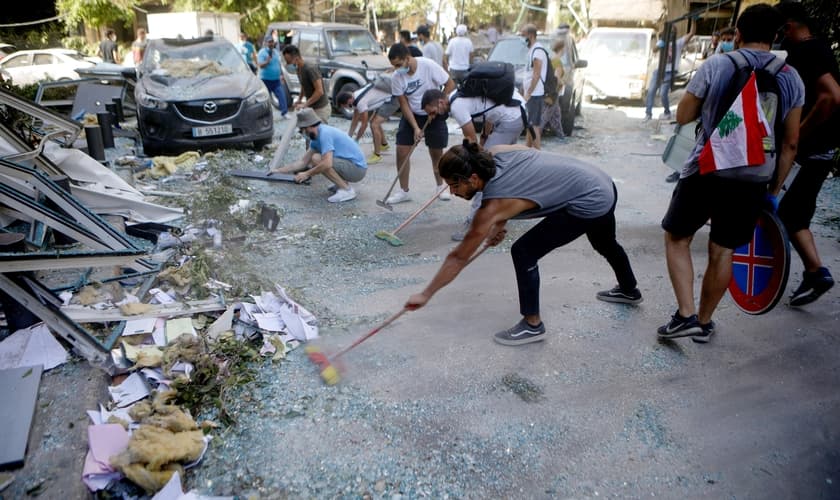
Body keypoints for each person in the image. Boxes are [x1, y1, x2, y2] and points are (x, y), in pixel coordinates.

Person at [658, 4, 804, 343]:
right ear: (776, 36)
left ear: (737, 34)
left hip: (706, 170)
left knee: (677, 238)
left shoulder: (718, 65)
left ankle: (685, 314)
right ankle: (705, 322)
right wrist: (772, 190)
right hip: (754, 179)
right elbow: (791, 143)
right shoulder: (790, 77)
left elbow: (683, 115)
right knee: (723, 250)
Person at [405, 143, 642, 346]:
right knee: (604, 242)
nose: (453, 191)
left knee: (524, 251)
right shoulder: (495, 153)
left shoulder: (491, 208)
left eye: (455, 185)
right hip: (600, 183)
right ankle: (629, 290)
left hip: (588, 200)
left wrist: (426, 294)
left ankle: (532, 324)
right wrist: (499, 224)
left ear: (474, 178)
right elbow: (524, 172)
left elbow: (458, 257)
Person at [774, 1, 838, 306]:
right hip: (820, 151)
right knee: (795, 213)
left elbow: (831, 95)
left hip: (809, 152)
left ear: (787, 27)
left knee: (785, 212)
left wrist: (799, 132)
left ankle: (816, 271)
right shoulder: (820, 48)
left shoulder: (806, 52)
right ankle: (815, 273)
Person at [422, 87, 527, 240]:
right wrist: (485, 136)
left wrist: (462, 165)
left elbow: (471, 140)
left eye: (432, 111)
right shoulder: (458, 96)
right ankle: (501, 211)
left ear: (440, 102)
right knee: (495, 165)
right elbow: (489, 112)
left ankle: (476, 223)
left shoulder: (457, 106)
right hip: (516, 113)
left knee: (481, 173)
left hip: (510, 119)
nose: (433, 116)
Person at [385, 43, 456, 205]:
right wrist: (416, 127)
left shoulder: (428, 65)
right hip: (412, 114)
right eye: (393, 66)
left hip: (434, 114)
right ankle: (404, 191)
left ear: (408, 58)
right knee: (402, 150)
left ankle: (440, 186)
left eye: (398, 64)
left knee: (436, 153)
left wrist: (439, 104)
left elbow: (450, 83)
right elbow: (403, 104)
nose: (396, 69)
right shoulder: (397, 77)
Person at [270, 108, 366, 203]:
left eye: (302, 130)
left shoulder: (324, 134)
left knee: (317, 159)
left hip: (357, 169)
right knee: (316, 159)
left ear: (309, 126)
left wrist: (306, 174)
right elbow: (303, 162)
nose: (303, 133)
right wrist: (278, 171)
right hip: (350, 165)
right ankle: (341, 183)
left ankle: (347, 190)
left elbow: (327, 164)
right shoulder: (316, 138)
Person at [336, 77, 396, 164]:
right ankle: (384, 145)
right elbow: (355, 120)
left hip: (393, 99)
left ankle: (377, 155)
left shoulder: (360, 102)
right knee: (374, 121)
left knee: (374, 124)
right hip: (386, 97)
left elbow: (364, 125)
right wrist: (349, 137)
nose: (347, 108)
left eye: (345, 106)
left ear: (349, 100)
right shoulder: (355, 96)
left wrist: (356, 140)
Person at [645, 20, 695, 122]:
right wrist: (659, 45)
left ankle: (667, 112)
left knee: (663, 93)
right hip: (659, 70)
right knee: (651, 91)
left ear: (675, 33)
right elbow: (654, 50)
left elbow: (691, 33)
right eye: (669, 31)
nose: (670, 33)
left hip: (670, 72)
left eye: (672, 31)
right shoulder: (662, 42)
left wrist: (693, 21)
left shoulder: (678, 43)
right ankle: (648, 114)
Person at [282, 45, 331, 124]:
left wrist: (305, 104)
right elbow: (303, 85)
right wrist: (299, 99)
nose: (287, 65)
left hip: (321, 108)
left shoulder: (310, 68)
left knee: (319, 132)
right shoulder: (299, 69)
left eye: (288, 62)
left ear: (296, 59)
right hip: (312, 107)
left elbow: (319, 91)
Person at [520, 23, 547, 149]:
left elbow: (536, 74)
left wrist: (529, 92)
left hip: (535, 94)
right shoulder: (532, 50)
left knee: (534, 125)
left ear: (530, 36)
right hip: (532, 93)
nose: (521, 38)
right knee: (529, 123)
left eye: (523, 35)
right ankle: (527, 150)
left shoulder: (537, 51)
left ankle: (537, 152)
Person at [540, 36, 567, 138]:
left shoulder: (551, 59)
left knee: (556, 115)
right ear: (561, 49)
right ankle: (535, 134)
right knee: (545, 117)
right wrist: (563, 82)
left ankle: (561, 136)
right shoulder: (558, 61)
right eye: (564, 48)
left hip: (548, 91)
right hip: (553, 93)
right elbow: (557, 77)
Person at [258, 36, 289, 119]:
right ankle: (264, 115)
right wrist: (267, 61)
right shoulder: (262, 52)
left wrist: (281, 75)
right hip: (265, 80)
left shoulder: (275, 52)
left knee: (281, 95)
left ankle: (284, 113)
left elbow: (278, 64)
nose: (271, 44)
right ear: (265, 43)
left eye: (272, 42)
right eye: (269, 42)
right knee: (265, 99)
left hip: (276, 80)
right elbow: (260, 65)